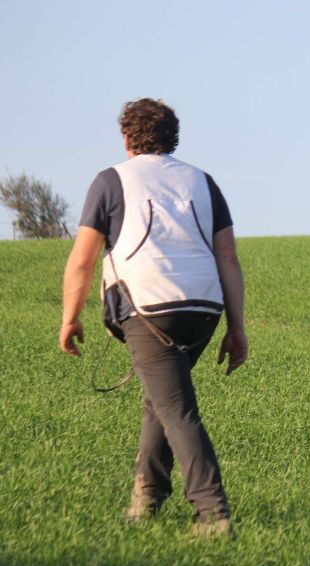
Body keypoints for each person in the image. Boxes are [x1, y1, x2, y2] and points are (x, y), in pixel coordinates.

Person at [60, 98, 247, 537]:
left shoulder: (111, 181)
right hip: (203, 311)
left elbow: (83, 260)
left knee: (176, 408)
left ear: (126, 138)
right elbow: (229, 258)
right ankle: (147, 496)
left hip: (147, 311)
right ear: (173, 138)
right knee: (160, 399)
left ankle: (212, 514)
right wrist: (236, 329)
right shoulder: (203, 182)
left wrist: (70, 317)